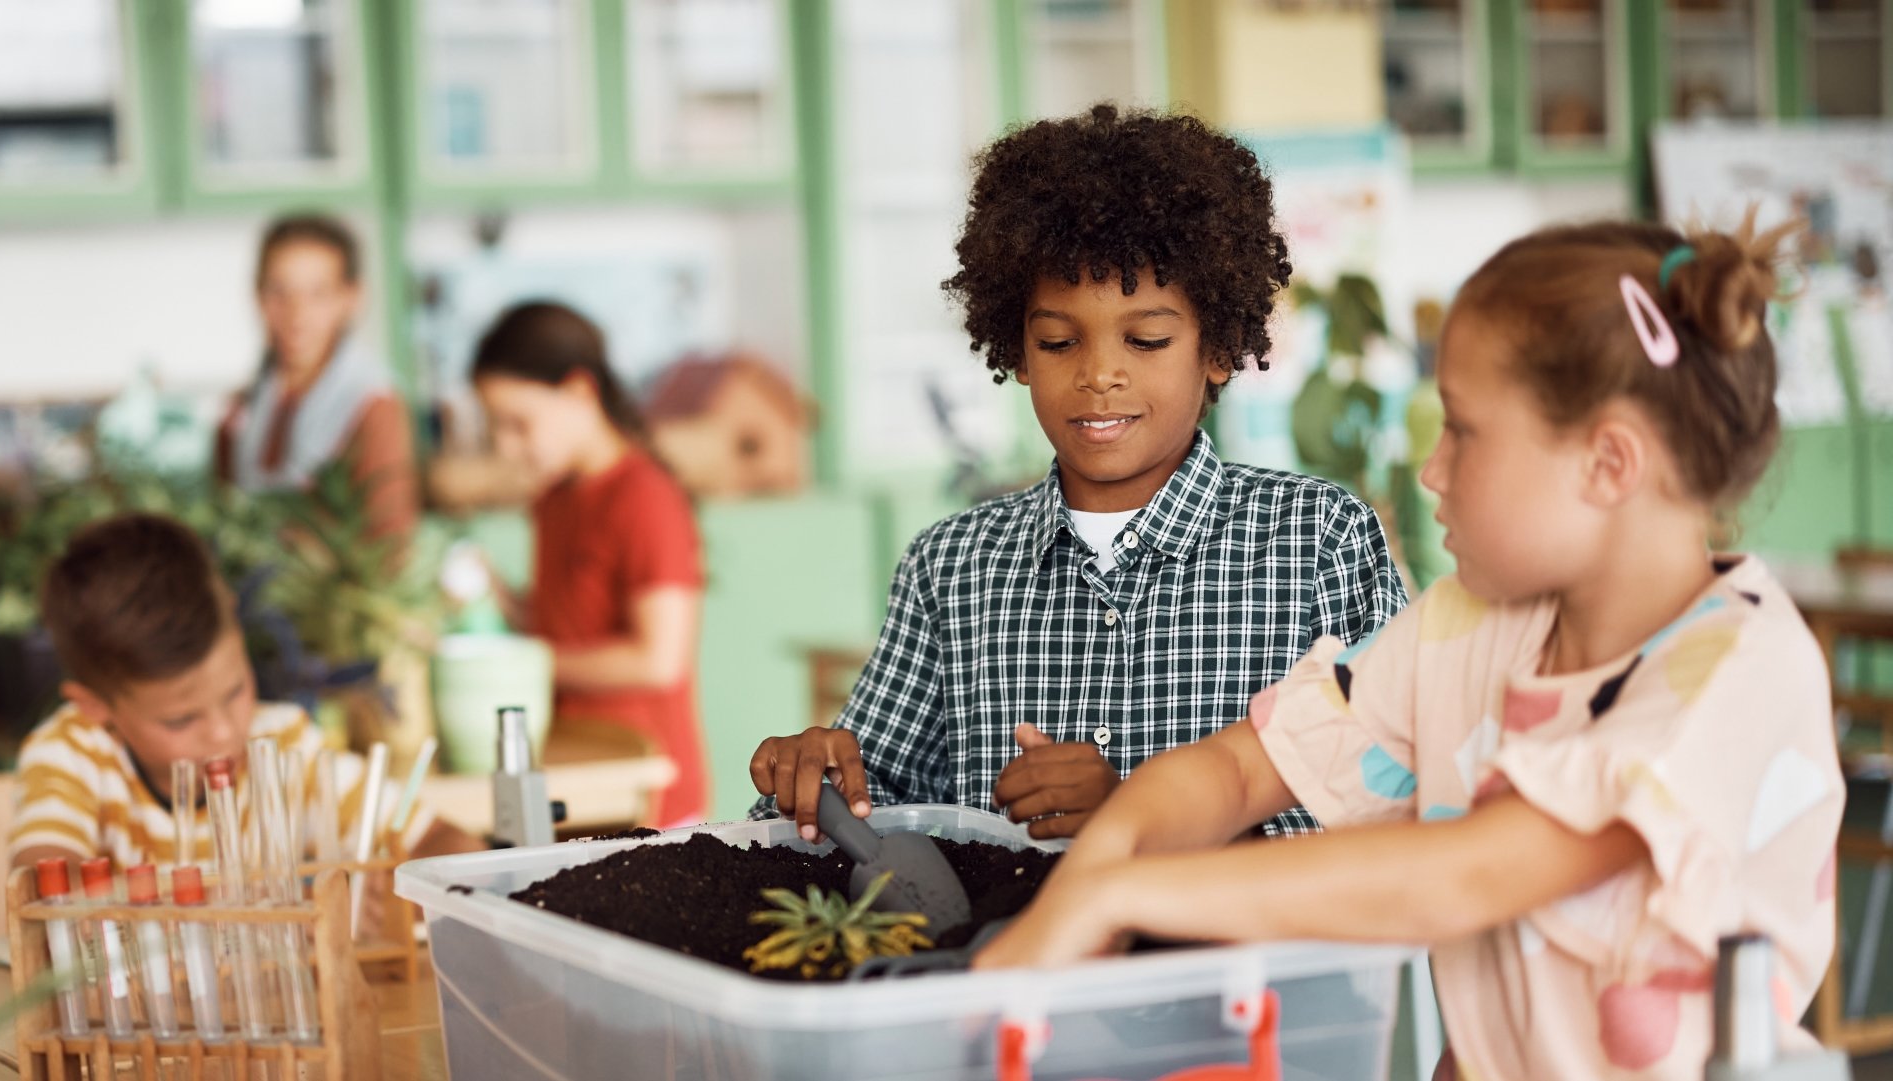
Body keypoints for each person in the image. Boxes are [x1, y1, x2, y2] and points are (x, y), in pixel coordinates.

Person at [978, 220, 1836, 1081]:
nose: (1432, 470)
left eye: (1463, 429)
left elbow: (1467, 875)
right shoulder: (1467, 622)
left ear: (1607, 462)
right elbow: (1240, 771)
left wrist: (1121, 894)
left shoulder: (1740, 668)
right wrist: (1085, 883)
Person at [750, 104, 1406, 841]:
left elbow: (1396, 801)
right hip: (1016, 955)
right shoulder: (951, 568)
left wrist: (1139, 816)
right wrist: (817, 778)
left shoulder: (1317, 540)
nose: (1099, 374)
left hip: (1252, 954)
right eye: (1060, 341)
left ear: (1218, 347)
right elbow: (878, 802)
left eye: (1147, 339)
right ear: (1019, 354)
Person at [7, 513, 469, 871]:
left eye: (235, 691)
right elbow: (46, 894)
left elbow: (449, 844)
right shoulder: (70, 756)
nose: (224, 731)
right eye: (180, 719)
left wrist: (392, 894)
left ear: (234, 617)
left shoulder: (284, 745)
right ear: (94, 705)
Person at [470, 302, 709, 827]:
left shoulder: (645, 496)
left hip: (644, 789)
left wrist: (527, 662)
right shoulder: (554, 501)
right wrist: (500, 600)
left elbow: (658, 659)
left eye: (518, 423)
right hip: (572, 775)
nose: (507, 446)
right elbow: (564, 625)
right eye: (496, 427)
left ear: (580, 392)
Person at [215, 213, 419, 541]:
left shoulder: (373, 403)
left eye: (318, 294)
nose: (297, 314)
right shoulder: (243, 405)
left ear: (351, 298)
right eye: (278, 292)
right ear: (257, 296)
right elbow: (224, 510)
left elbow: (388, 540)